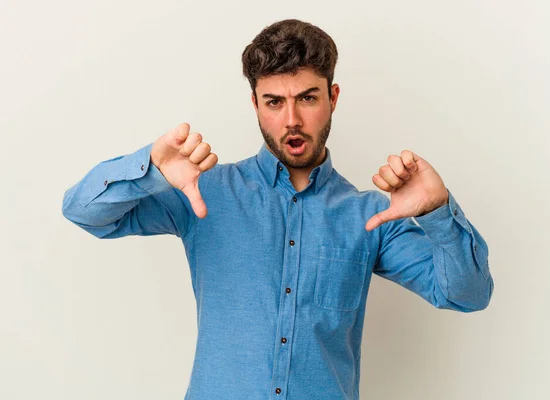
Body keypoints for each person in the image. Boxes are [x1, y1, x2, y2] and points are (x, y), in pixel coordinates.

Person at [62, 18, 493, 400]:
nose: (291, 120)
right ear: (255, 104)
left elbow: (467, 295)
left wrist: (437, 211)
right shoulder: (202, 190)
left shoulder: (371, 216)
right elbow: (84, 211)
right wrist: (150, 170)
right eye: (274, 102)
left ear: (333, 98)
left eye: (307, 98)